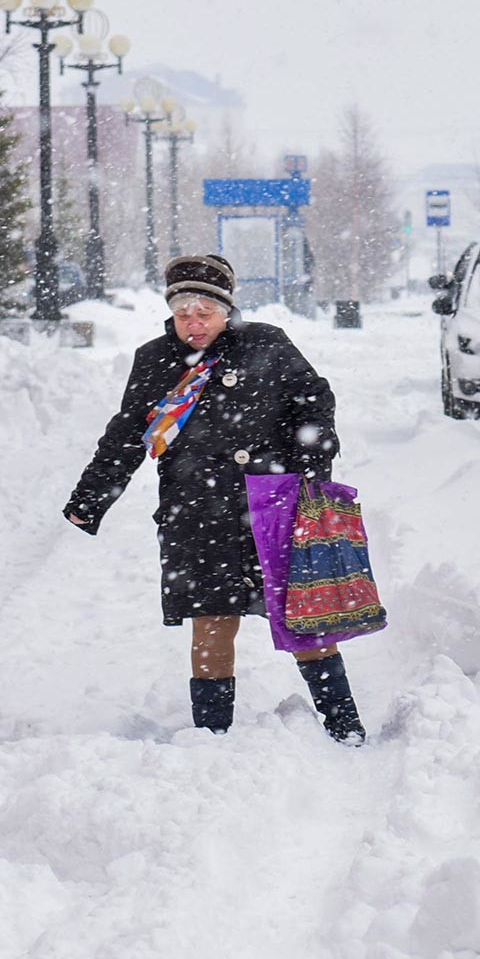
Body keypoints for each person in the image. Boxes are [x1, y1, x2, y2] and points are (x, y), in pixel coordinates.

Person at [63, 254, 366, 743]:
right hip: (197, 511)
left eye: (205, 312)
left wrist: (310, 471)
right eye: (183, 313)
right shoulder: (155, 360)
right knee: (211, 620)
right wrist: (91, 498)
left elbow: (313, 402)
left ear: (227, 309)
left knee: (304, 617)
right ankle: (212, 735)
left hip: (273, 506)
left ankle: (344, 726)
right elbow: (127, 434)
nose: (194, 323)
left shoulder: (266, 344)